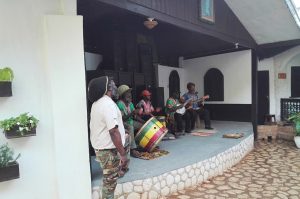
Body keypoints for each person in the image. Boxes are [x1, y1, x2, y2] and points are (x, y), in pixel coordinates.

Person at [88, 76, 129, 199]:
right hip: (108, 151)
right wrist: (122, 154)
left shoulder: (97, 104)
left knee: (108, 181)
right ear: (108, 88)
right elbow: (113, 131)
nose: (116, 87)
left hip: (102, 149)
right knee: (109, 184)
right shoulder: (108, 104)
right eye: (114, 85)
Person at [116, 85, 144, 158]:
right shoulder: (119, 104)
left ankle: (141, 145)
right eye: (127, 92)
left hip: (130, 122)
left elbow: (135, 116)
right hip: (122, 123)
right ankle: (133, 149)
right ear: (122, 95)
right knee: (130, 127)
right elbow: (122, 119)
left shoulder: (130, 104)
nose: (129, 94)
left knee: (143, 127)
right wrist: (133, 112)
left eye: (130, 92)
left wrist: (144, 122)